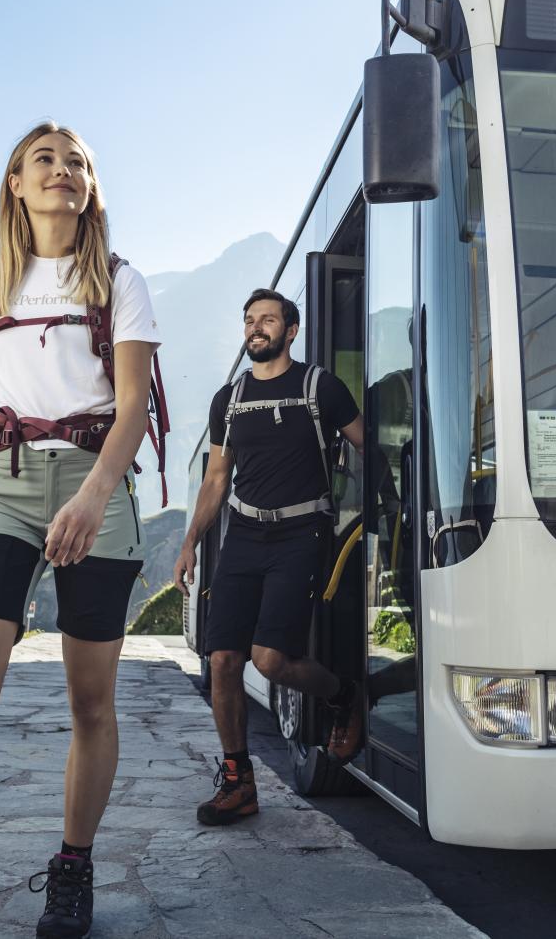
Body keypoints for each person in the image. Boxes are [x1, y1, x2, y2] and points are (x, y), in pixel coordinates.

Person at [0, 121, 161, 938]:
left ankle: (72, 865)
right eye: (46, 159)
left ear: (90, 187)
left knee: (89, 699)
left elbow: (135, 406)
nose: (63, 171)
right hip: (1, 482)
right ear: (15, 181)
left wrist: (94, 497)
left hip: (93, 475)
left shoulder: (118, 279)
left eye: (77, 162)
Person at [174, 288, 364, 826]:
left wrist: (388, 513)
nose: (258, 328)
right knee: (222, 663)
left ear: (291, 330)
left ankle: (343, 694)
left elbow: (367, 445)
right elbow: (216, 479)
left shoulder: (319, 386)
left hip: (303, 533)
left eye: (269, 320)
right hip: (243, 536)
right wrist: (190, 542)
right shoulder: (228, 400)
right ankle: (239, 783)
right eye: (250, 320)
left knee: (270, 660)